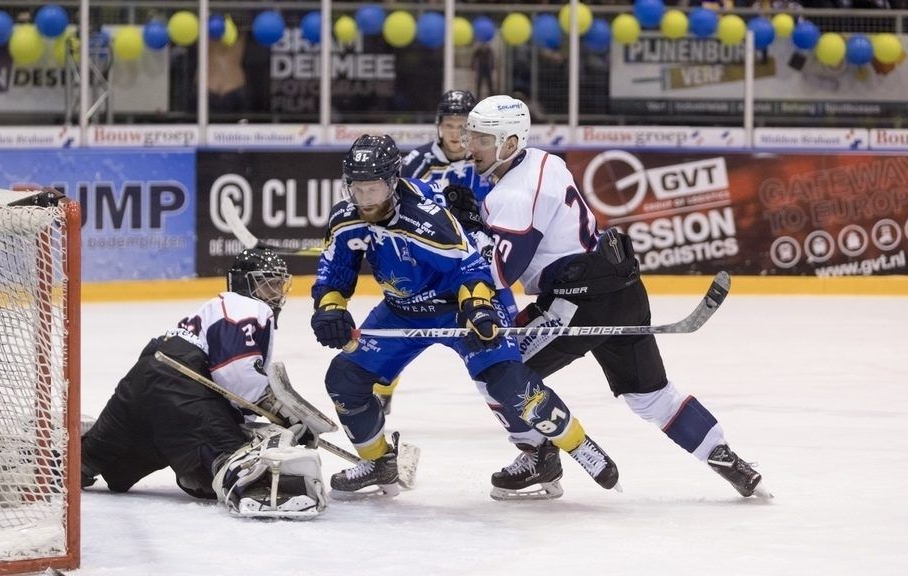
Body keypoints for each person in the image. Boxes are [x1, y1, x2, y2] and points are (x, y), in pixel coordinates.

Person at [458, 95, 768, 499]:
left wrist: (473, 229)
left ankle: (539, 457)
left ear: (510, 143)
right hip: (621, 287)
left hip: (575, 303)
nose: (470, 147)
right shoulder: (546, 161)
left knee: (492, 371)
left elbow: (500, 273)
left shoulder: (511, 196)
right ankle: (726, 458)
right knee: (652, 396)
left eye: (481, 138)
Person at [310, 134, 619, 500]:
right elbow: (335, 273)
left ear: (393, 182)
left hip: (459, 306)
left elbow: (470, 267)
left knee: (506, 382)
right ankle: (379, 462)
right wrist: (329, 308)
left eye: (373, 190)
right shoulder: (345, 219)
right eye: (357, 190)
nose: (364, 201)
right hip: (403, 310)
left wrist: (478, 306)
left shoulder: (425, 217)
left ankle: (566, 445)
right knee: (344, 378)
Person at [81, 248, 329, 518]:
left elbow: (225, 387)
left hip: (144, 383)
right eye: (267, 284)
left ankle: (69, 453)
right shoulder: (245, 305)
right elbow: (236, 374)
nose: (275, 292)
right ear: (244, 282)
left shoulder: (214, 309)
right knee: (234, 453)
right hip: (179, 386)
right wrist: (282, 414)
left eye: (279, 285)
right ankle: (251, 480)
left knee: (102, 463)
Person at [372, 90, 493, 416]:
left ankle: (509, 395)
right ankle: (382, 387)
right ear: (439, 126)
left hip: (473, 265)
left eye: (463, 126)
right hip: (429, 264)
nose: (456, 133)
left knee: (494, 332)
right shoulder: (415, 163)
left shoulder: (485, 160)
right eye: (450, 124)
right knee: (398, 329)